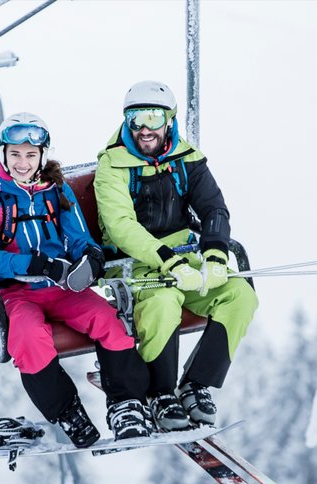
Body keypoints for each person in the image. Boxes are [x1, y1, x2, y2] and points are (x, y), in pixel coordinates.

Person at [0, 112, 151, 448]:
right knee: (27, 337)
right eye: (15, 155)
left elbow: (79, 237)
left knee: (107, 320)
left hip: (59, 288)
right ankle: (68, 412)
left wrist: (91, 258)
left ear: (42, 156)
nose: (22, 163)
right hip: (16, 294)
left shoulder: (56, 190)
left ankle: (126, 404)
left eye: (30, 155)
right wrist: (35, 264)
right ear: (4, 154)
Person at [94, 81, 258, 431]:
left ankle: (195, 384)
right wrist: (167, 258)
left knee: (239, 294)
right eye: (135, 119)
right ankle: (160, 391)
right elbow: (121, 225)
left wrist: (214, 254)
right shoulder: (113, 166)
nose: (144, 129)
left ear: (169, 119)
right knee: (164, 301)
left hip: (185, 256)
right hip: (131, 264)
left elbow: (214, 207)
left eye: (153, 118)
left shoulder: (188, 159)